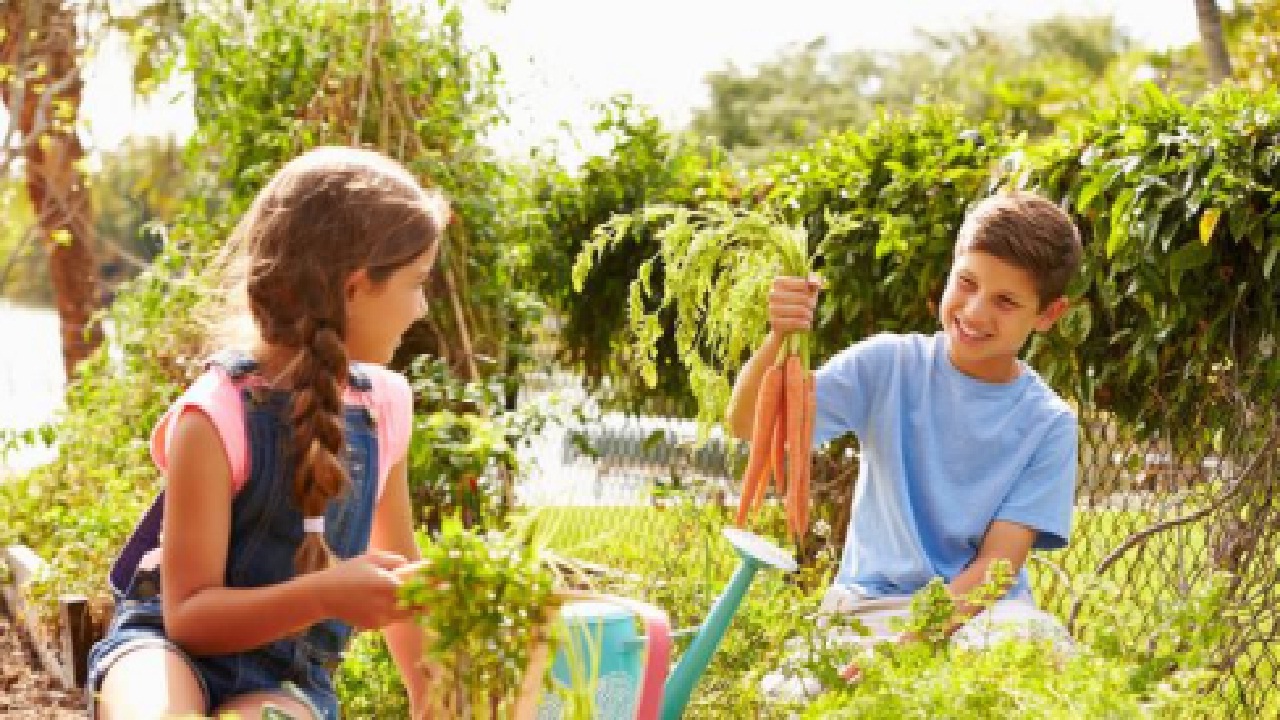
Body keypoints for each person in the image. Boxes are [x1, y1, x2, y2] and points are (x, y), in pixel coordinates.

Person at [86, 146, 449, 719]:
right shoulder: (216, 414)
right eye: (416, 282)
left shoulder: (384, 407)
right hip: (164, 651)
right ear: (354, 288)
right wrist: (326, 593)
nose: (422, 307)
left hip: (286, 680)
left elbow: (400, 578)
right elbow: (189, 615)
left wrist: (430, 694)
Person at [728, 190, 1083, 693]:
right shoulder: (887, 365)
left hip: (981, 615)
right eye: (967, 283)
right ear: (951, 270)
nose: (977, 313)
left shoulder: (1048, 424)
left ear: (1047, 314)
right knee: (786, 694)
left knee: (1030, 643)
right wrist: (778, 336)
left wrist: (912, 646)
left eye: (1006, 301)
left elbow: (995, 567)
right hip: (868, 609)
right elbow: (749, 426)